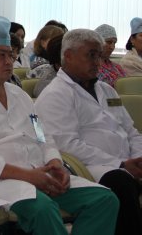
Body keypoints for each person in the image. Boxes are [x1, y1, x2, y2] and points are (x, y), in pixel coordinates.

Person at [0, 16, 118, 235]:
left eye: (11, 54)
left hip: (39, 172)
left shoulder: (20, 96)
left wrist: (55, 162)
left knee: (104, 199)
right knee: (43, 210)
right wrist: (28, 176)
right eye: (1, 55)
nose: (9, 61)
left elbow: (42, 135)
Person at [35, 28, 142, 234]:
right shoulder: (55, 95)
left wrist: (138, 158)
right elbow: (67, 145)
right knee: (121, 182)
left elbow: (131, 131)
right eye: (91, 55)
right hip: (89, 168)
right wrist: (120, 164)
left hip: (126, 163)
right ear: (68, 56)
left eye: (99, 56)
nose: (98, 62)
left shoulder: (107, 90)